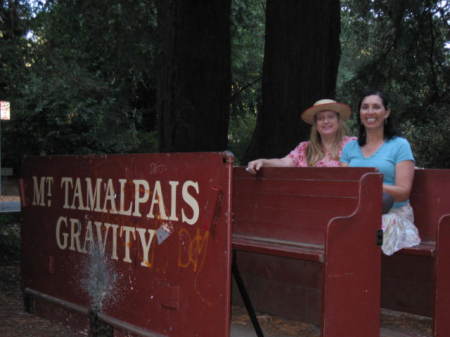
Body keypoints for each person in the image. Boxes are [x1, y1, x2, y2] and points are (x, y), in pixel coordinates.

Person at [340, 90, 421, 255]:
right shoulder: (350, 148)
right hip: (356, 213)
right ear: (360, 113)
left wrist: (372, 184)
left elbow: (403, 192)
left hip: (393, 215)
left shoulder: (400, 145)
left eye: (376, 107)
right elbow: (345, 186)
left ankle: (367, 274)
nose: (370, 112)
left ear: (387, 112)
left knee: (373, 232)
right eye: (365, 107)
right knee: (342, 227)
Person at [246, 98, 355, 174]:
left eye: (330, 117)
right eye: (320, 118)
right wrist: (263, 162)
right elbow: (284, 162)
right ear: (315, 125)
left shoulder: (353, 144)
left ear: (338, 121)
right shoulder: (304, 148)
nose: (326, 121)